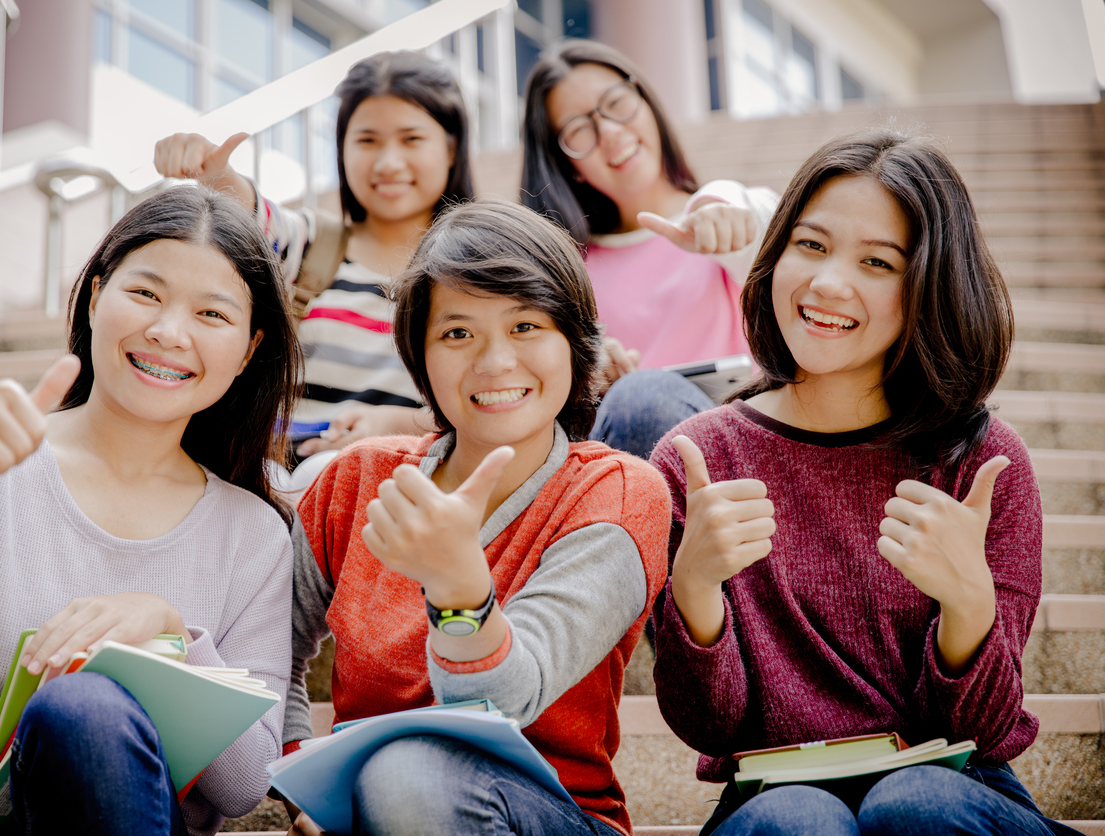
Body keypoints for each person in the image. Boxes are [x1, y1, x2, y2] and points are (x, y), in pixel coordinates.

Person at [649, 130, 1077, 836]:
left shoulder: (981, 461)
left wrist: (969, 607)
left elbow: (990, 731)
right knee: (795, 822)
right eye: (810, 246)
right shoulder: (698, 459)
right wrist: (693, 593)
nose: (826, 283)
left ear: (929, 288)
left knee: (915, 804)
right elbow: (708, 730)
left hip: (953, 790)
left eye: (877, 262)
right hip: (771, 796)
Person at [0, 188, 302, 835]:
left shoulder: (254, 534)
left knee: (84, 712)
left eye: (212, 313)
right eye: (145, 293)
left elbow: (244, 784)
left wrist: (169, 638)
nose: (168, 331)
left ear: (251, 348)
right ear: (95, 297)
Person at [284, 199, 671, 836]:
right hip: (372, 816)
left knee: (406, 775)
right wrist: (304, 785)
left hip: (555, 817)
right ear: (419, 357)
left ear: (574, 343)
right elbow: (272, 654)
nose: (494, 363)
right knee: (391, 780)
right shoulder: (356, 482)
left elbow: (507, 701)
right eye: (458, 333)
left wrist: (460, 590)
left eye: (526, 327)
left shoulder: (618, 492)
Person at [153, 50, 474, 487]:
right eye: (367, 140)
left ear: (452, 148)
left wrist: (405, 425)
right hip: (277, 486)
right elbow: (256, 219)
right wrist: (215, 174)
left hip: (403, 491)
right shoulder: (314, 245)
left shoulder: (479, 271)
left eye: (411, 139)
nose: (388, 162)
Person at [521, 40, 779, 459]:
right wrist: (586, 380)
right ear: (568, 164)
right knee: (639, 401)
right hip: (629, 464)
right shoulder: (563, 273)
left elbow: (768, 237)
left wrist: (725, 208)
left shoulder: (727, 216)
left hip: (740, 452)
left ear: (645, 102)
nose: (609, 133)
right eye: (579, 130)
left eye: (616, 103)